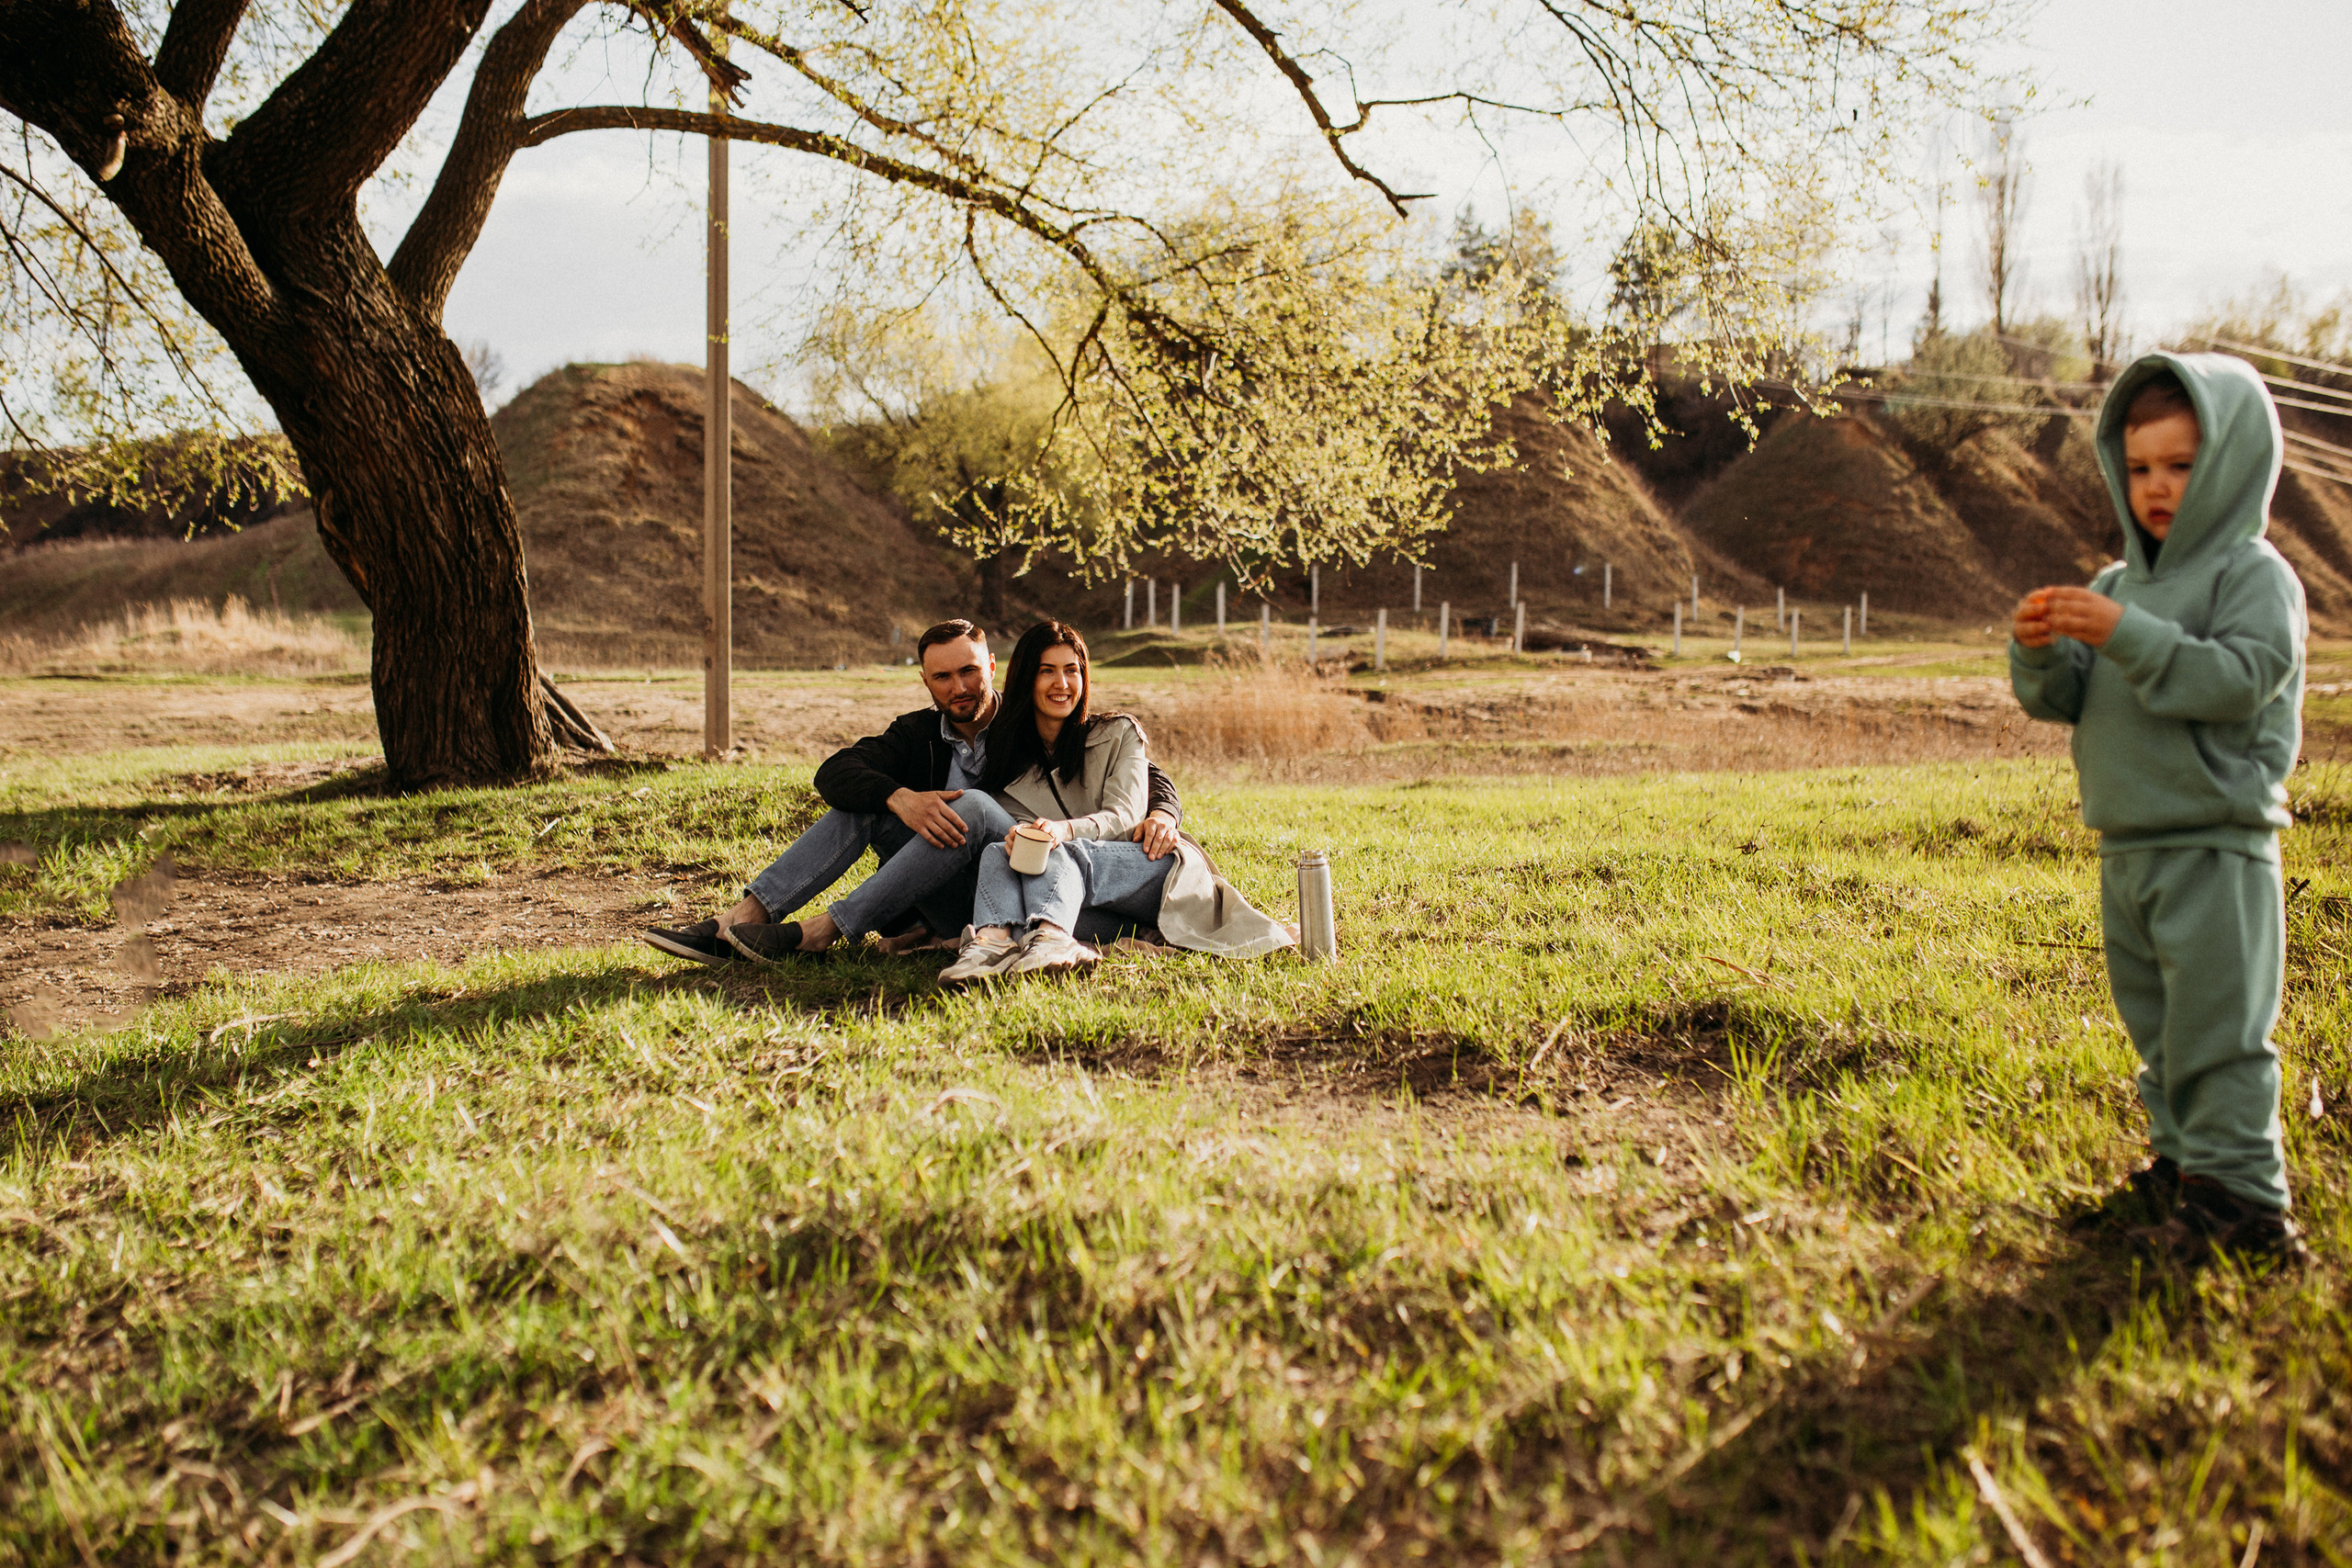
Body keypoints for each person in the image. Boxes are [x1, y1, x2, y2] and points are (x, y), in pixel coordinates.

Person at [2010, 352, 2308, 1269]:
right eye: (2139, 468)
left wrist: (2130, 636)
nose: (2157, 487)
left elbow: (2239, 681)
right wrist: (2040, 655)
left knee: (2218, 1035)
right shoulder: (2112, 587)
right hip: (2128, 843)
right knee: (2161, 1032)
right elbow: (2070, 700)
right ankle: (2184, 1171)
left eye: (2180, 465)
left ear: (2227, 463)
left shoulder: (2253, 577)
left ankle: (2247, 1207)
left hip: (2215, 843)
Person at [642, 619, 1182, 965]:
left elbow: (1136, 768)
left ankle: (821, 932)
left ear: (993, 669)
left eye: (970, 672)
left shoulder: (1026, 724)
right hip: (952, 887)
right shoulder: (918, 733)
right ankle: (744, 919)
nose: (960, 688)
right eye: (943, 677)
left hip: (1024, 865)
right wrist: (901, 797)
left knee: (970, 806)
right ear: (926, 682)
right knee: (867, 808)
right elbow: (836, 772)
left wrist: (1163, 809)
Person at [938, 620, 1293, 984]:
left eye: (1071, 670)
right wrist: (1020, 838)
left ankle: (1054, 940)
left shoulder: (1119, 732)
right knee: (1000, 852)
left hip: (1152, 869)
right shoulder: (1006, 764)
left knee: (1061, 850)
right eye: (1047, 672)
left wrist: (1063, 830)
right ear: (1026, 679)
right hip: (1077, 893)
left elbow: (1125, 816)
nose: (1062, 684)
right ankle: (990, 945)